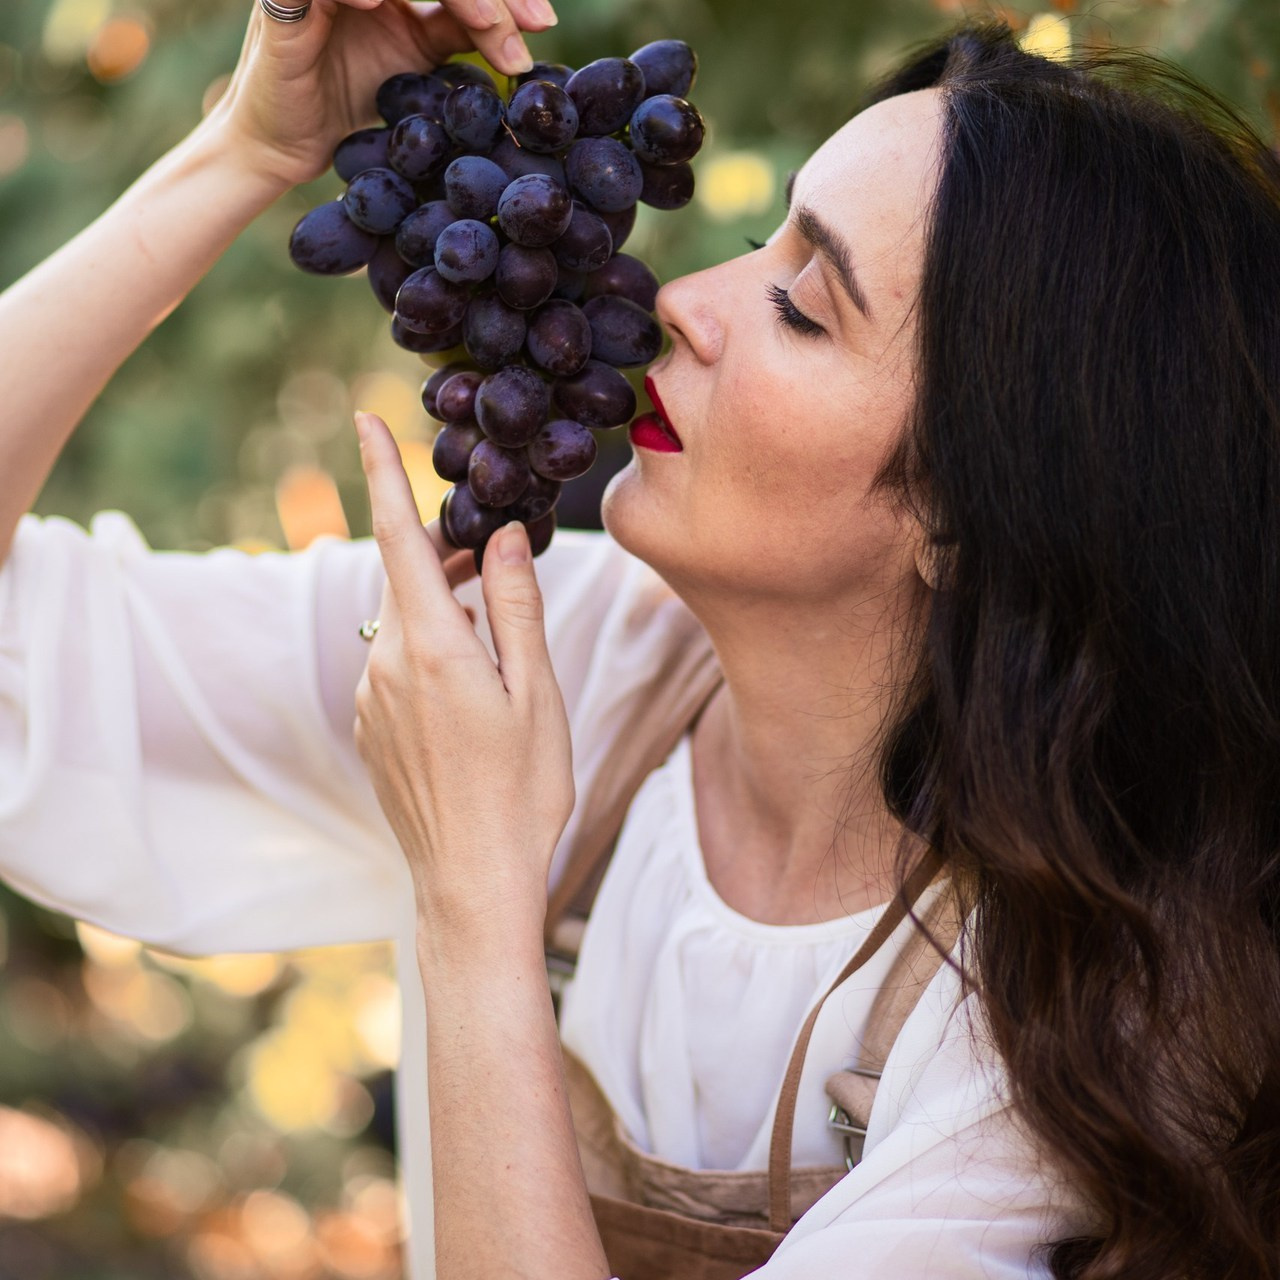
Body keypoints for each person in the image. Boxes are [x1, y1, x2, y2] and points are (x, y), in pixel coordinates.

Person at [2, 1, 1279, 1276]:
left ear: (973, 500)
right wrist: (243, 153)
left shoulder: (1061, 1036)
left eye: (801, 306)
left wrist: (472, 893)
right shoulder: (570, 652)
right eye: (750, 238)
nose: (677, 300)